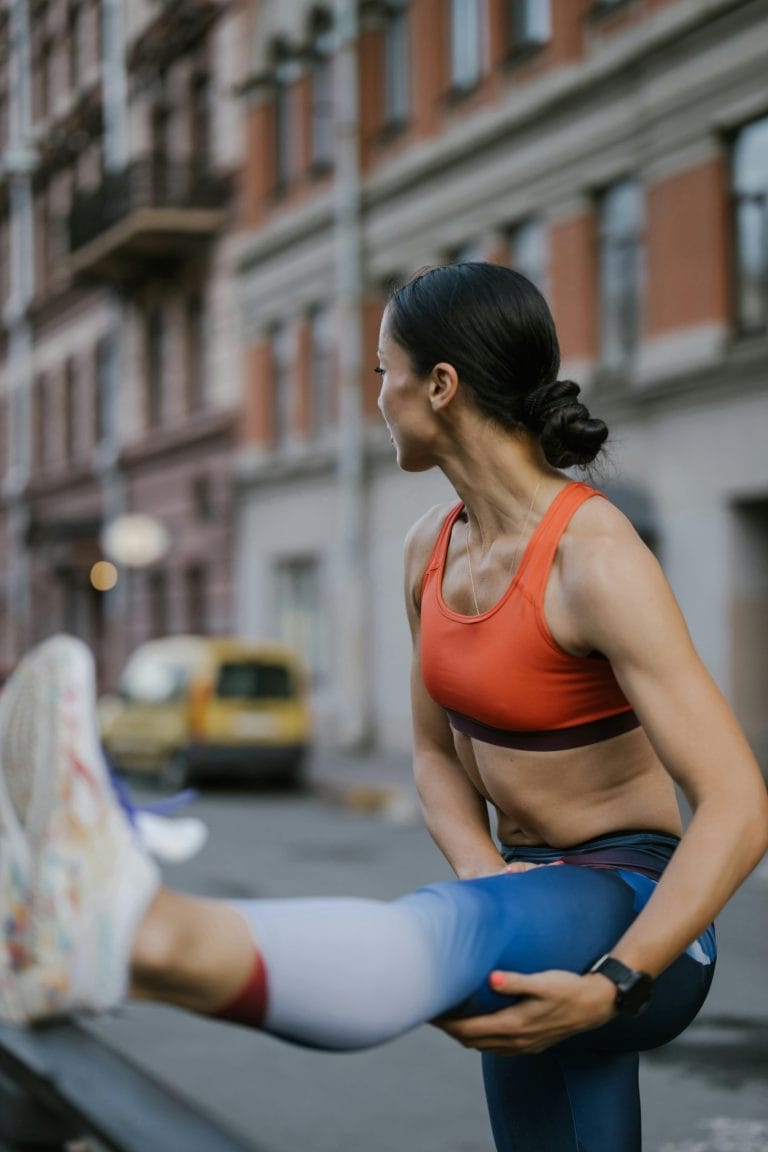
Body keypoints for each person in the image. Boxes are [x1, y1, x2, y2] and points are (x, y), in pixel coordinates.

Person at [1, 264, 766, 1152]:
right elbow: (437, 757)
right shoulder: (427, 551)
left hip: (640, 911)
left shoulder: (595, 559)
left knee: (447, 935)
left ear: (438, 386)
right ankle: (105, 935)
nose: (376, 397)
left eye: (381, 372)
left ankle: (141, 934)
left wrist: (618, 983)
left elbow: (739, 803)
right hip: (522, 894)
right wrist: (488, 868)